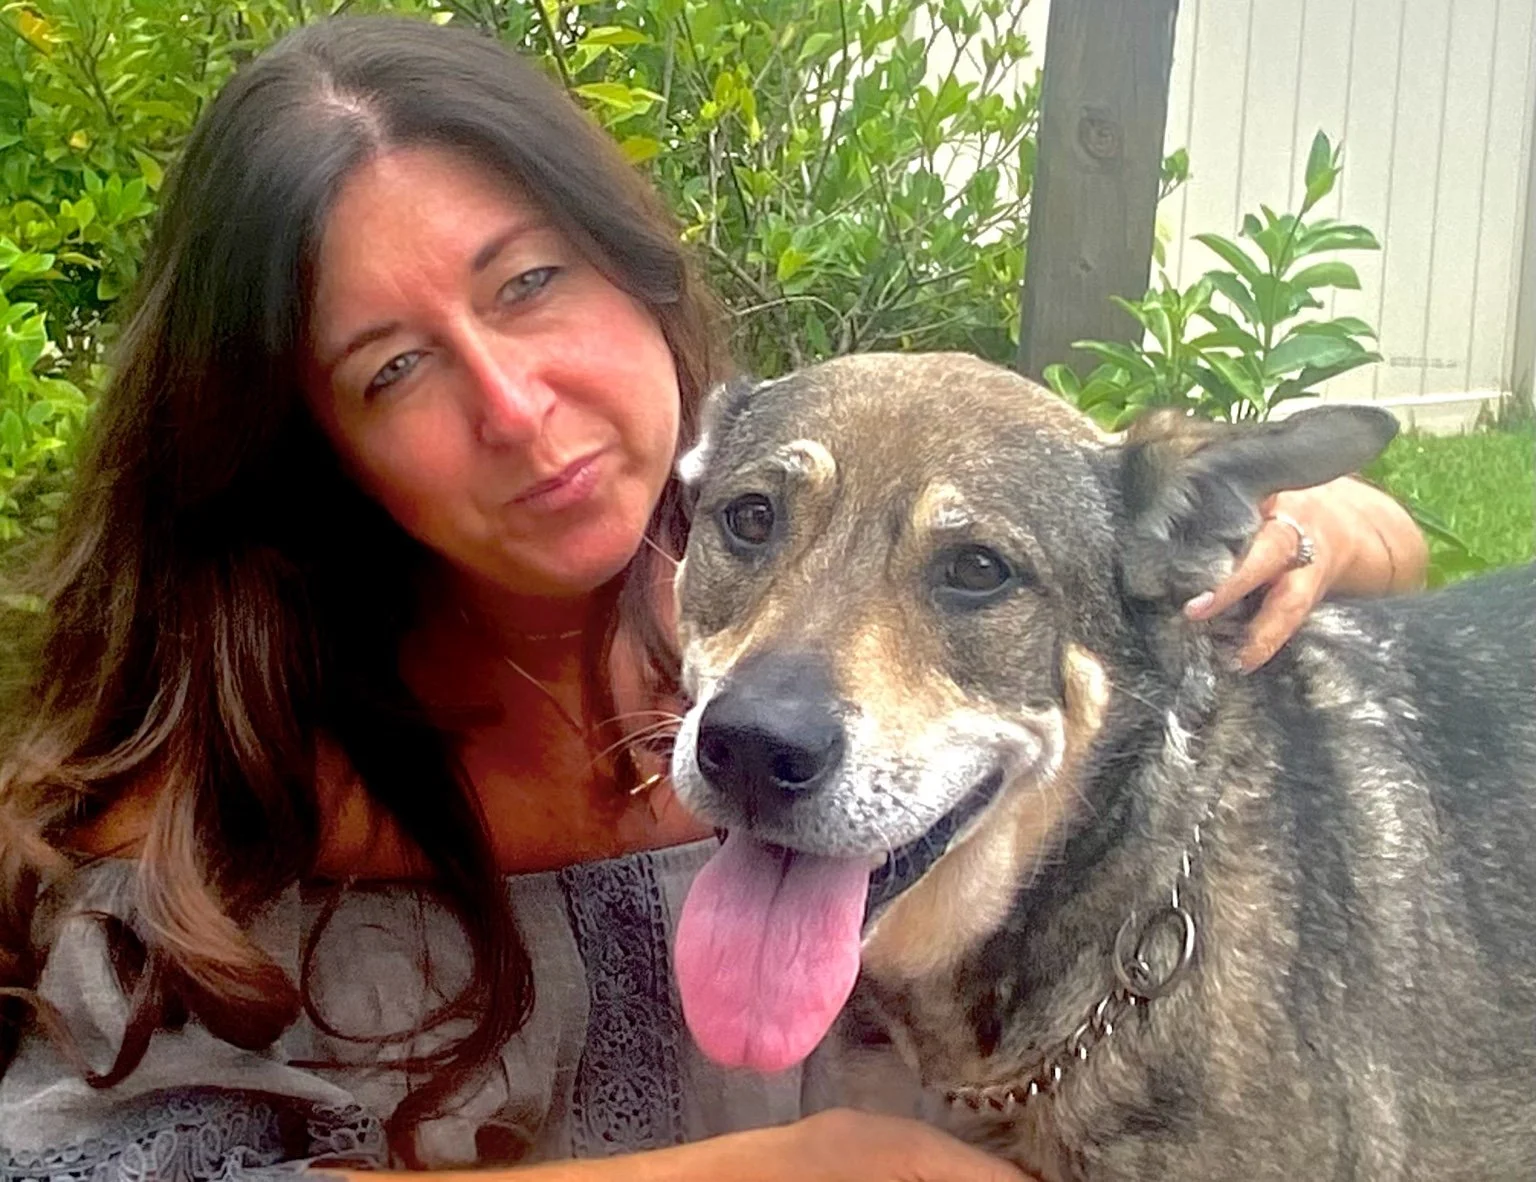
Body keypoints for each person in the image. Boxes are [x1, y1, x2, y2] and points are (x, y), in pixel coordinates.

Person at [0, 15, 1427, 1180]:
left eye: (528, 283)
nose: (513, 405)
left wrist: (1343, 526)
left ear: (636, 274)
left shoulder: (792, 529)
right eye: (392, 368)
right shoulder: (211, 807)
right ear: (310, 445)